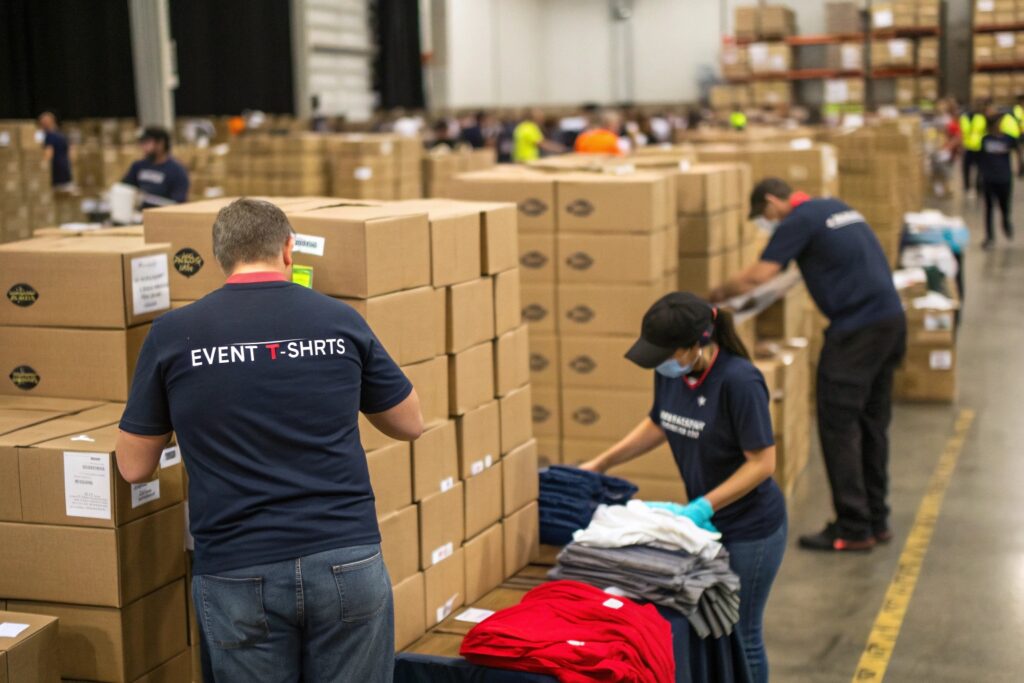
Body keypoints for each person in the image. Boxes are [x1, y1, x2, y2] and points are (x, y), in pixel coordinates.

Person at [114, 198, 424, 681]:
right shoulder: (339, 320)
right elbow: (409, 423)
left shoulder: (173, 335)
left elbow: (134, 467)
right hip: (344, 555)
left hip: (238, 568)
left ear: (221, 257)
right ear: (288, 249)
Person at [579, 293, 785, 683]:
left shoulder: (739, 381)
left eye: (666, 353)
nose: (660, 362)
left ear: (696, 345)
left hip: (750, 528)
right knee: (712, 625)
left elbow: (763, 462)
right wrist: (600, 463)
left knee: (742, 634)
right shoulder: (668, 369)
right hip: (704, 526)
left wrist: (702, 506)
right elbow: (660, 421)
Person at [711, 178, 906, 553]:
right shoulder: (834, 207)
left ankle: (852, 526)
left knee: (838, 424)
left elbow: (758, 275)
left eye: (763, 216)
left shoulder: (798, 220)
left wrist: (711, 298)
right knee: (871, 423)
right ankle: (875, 519)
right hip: (889, 321)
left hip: (857, 331)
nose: (765, 223)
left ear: (772, 201)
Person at [121, 126, 190, 209]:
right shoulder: (138, 166)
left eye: (146, 142)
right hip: (139, 214)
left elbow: (178, 202)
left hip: (163, 216)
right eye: (141, 143)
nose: (143, 147)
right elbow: (125, 187)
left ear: (160, 143)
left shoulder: (177, 171)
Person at [978, 112, 1017, 249]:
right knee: (988, 209)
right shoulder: (985, 140)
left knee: (1004, 207)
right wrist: (979, 179)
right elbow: (980, 160)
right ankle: (990, 237)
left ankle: (1006, 223)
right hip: (989, 179)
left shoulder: (1009, 139)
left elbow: (1018, 152)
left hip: (1004, 178)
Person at [37, 112, 72, 189]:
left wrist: (42, 166)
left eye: (42, 124)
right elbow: (70, 152)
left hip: (56, 173)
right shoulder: (61, 135)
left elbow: (49, 152)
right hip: (65, 171)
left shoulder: (50, 136)